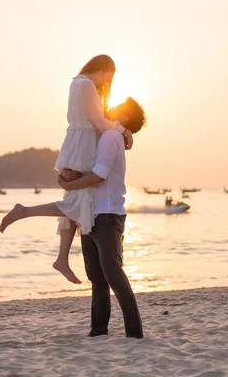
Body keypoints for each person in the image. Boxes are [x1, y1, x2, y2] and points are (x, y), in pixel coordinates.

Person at [0, 55, 134, 285]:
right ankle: (25, 212)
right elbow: (99, 122)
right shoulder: (87, 84)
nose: (107, 83)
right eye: (109, 77)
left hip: (74, 143)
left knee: (76, 200)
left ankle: (61, 258)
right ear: (102, 70)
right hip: (83, 146)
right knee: (77, 200)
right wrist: (124, 130)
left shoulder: (76, 83)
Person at [57, 98, 146, 338]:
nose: (109, 108)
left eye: (117, 107)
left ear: (124, 117)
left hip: (107, 214)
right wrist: (67, 177)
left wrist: (71, 183)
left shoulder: (110, 137)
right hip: (91, 214)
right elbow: (87, 170)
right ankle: (98, 330)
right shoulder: (105, 135)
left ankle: (134, 330)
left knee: (113, 273)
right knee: (97, 278)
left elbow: (99, 175)